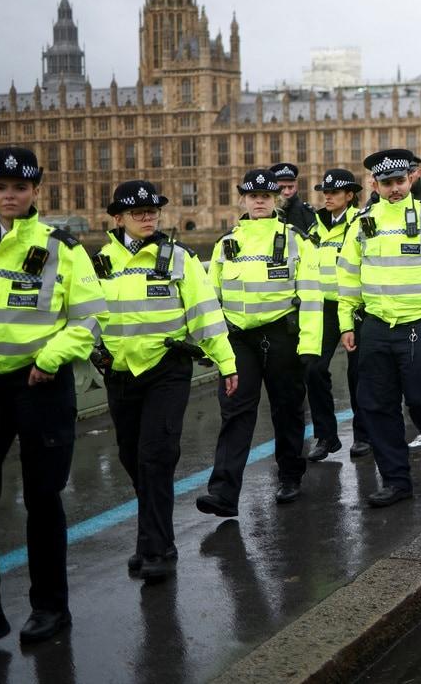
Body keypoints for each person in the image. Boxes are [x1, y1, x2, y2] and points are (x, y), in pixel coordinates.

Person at [0, 148, 106, 653]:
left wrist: (50, 358)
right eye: (0, 188)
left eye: (19, 188)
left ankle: (51, 606)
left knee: (43, 500)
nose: (9, 196)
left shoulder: (62, 248)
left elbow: (88, 318)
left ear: (35, 191)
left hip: (40, 386)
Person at [93, 180, 236, 582]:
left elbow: (207, 315)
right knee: (131, 458)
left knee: (156, 458)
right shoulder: (100, 262)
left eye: (152, 210)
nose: (147, 216)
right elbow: (87, 317)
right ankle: (149, 539)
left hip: (167, 370)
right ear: (118, 218)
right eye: (137, 212)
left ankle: (160, 549)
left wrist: (227, 363)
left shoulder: (180, 259)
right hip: (120, 372)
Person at [337, 149, 421, 507]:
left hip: (420, 323)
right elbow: (347, 276)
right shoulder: (362, 223)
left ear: (411, 179)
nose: (395, 189)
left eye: (400, 181)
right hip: (376, 325)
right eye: (387, 183)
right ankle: (396, 480)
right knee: (377, 405)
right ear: (373, 184)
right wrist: (346, 321)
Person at [197, 168, 322, 517]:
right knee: (235, 410)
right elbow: (211, 300)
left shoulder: (295, 240)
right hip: (239, 339)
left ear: (276, 199)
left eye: (266, 196)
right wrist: (212, 346)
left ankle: (290, 476)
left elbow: (311, 296)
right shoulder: (226, 244)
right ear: (244, 200)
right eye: (253, 197)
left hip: (282, 336)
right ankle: (223, 492)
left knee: (287, 409)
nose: (260, 202)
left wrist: (310, 345)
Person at [304, 168, 369, 462]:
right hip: (324, 308)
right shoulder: (316, 227)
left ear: (349, 196)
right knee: (314, 368)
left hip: (356, 305)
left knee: (359, 373)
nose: (327, 197)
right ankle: (326, 436)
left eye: (333, 192)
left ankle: (363, 434)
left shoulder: (362, 222)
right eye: (324, 192)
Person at [270, 162, 314, 234]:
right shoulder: (267, 211)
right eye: (282, 187)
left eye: (290, 187)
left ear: (296, 187)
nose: (287, 192)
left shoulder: (305, 212)